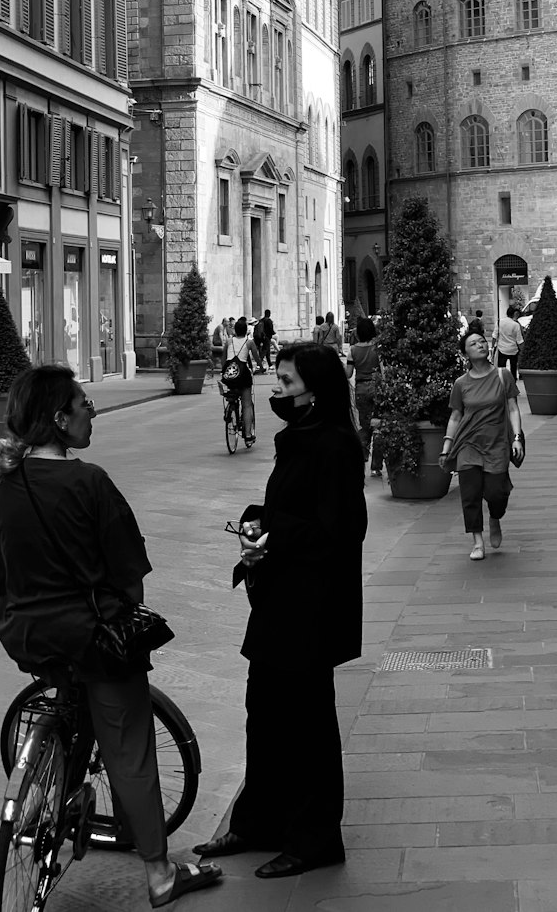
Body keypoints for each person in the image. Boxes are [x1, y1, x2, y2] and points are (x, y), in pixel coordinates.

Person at [0, 366, 222, 906]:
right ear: (59, 419)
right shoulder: (87, 480)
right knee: (129, 752)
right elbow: (129, 574)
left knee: (70, 698)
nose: (90, 410)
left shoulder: (4, 482)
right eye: (83, 403)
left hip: (25, 631)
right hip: (91, 636)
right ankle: (161, 873)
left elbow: (3, 569)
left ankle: (51, 790)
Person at [193, 343, 367, 879]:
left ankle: (314, 839)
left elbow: (339, 531)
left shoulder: (335, 444)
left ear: (315, 391)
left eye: (287, 384)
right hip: (281, 602)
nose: (277, 392)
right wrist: (258, 522)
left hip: (310, 608)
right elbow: (292, 512)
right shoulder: (299, 438)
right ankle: (259, 821)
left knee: (307, 724)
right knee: (264, 714)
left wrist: (273, 534)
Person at [439, 330, 524, 560]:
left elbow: (514, 408)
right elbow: (456, 417)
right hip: (468, 444)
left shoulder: (502, 375)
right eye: (473, 343)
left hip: (497, 444)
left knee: (496, 494)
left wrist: (516, 437)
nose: (480, 345)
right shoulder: (461, 384)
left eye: (482, 341)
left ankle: (495, 517)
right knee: (470, 494)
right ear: (465, 353)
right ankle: (477, 541)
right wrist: (447, 448)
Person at [345, 316, 381, 476]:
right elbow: (384, 370)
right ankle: (376, 466)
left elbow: (349, 373)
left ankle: (362, 458)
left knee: (364, 426)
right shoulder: (378, 348)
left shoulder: (352, 350)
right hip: (376, 387)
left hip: (360, 388)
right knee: (379, 426)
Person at [223, 318, 258, 446]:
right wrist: (260, 366)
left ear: (235, 330)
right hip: (243, 375)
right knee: (247, 404)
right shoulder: (249, 342)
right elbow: (256, 357)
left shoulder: (228, 341)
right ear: (246, 331)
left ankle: (231, 409)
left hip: (230, 375)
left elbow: (223, 360)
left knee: (232, 393)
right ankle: (248, 435)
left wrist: (224, 373)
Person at [495, 304, 523, 375]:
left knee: (501, 369)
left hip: (502, 349)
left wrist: (493, 347)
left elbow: (494, 336)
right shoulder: (516, 325)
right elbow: (519, 340)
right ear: (514, 314)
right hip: (513, 349)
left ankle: (502, 382)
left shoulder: (499, 322)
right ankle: (513, 381)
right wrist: (523, 351)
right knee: (513, 369)